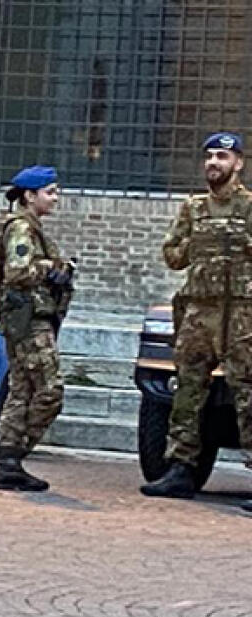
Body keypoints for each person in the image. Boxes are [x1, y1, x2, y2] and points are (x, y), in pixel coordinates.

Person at [140, 132, 252, 508]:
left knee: (247, 393)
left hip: (242, 314)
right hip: (199, 312)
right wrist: (196, 244)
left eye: (222, 156)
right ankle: (180, 470)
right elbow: (171, 256)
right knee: (186, 392)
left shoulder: (250, 207)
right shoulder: (193, 209)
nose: (213, 163)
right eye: (209, 156)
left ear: (238, 163)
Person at [0, 165, 74, 492]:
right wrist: (51, 269)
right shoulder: (21, 228)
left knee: (21, 391)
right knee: (50, 390)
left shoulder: (27, 227)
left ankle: (9, 464)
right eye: (50, 192)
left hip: (27, 318)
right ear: (29, 195)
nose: (55, 198)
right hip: (29, 319)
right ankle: (17, 450)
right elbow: (17, 271)